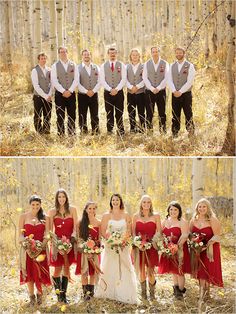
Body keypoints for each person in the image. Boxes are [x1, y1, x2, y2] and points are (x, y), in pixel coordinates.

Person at [94, 194, 138, 304]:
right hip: (110, 246)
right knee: (109, 266)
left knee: (124, 266)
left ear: (120, 201)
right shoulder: (106, 215)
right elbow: (103, 231)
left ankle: (124, 293)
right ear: (111, 202)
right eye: (113, 200)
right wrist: (111, 241)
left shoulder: (127, 215)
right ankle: (108, 292)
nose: (115, 202)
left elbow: (128, 231)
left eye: (117, 200)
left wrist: (122, 241)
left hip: (123, 246)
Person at [19, 195, 51, 306]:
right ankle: (32, 297)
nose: (35, 206)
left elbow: (47, 233)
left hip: (41, 250)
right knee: (29, 273)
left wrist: (42, 245)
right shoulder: (23, 216)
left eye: (37, 204)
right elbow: (20, 235)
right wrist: (27, 245)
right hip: (27, 250)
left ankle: (40, 296)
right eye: (33, 204)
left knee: (40, 273)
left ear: (40, 205)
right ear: (30, 205)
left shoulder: (45, 217)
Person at [190, 198, 223, 301]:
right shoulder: (193, 219)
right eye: (200, 206)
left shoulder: (212, 219)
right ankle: (202, 292)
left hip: (210, 249)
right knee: (199, 270)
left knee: (207, 269)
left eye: (204, 206)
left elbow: (217, 235)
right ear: (197, 208)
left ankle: (206, 293)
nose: (202, 208)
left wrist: (206, 245)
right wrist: (195, 244)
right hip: (197, 249)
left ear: (208, 207)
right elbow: (190, 234)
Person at [48, 189, 78, 303]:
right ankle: (58, 296)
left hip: (70, 243)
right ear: (56, 199)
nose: (61, 199)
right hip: (57, 244)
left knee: (66, 268)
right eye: (59, 197)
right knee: (57, 270)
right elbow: (50, 231)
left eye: (63, 197)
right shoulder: (52, 212)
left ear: (66, 198)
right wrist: (58, 245)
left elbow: (75, 228)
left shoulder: (73, 210)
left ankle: (64, 296)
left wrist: (71, 243)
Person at [158, 201, 191, 299]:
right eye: (171, 209)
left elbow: (185, 235)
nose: (173, 211)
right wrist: (162, 246)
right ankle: (176, 289)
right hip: (168, 249)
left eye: (175, 209)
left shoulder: (182, 222)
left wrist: (177, 246)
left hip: (179, 249)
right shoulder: (165, 221)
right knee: (173, 270)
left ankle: (181, 291)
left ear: (179, 211)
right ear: (168, 210)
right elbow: (160, 233)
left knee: (179, 270)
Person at [132, 195, 161, 300]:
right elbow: (133, 232)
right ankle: (143, 294)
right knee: (141, 271)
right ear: (141, 203)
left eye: (148, 202)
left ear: (151, 204)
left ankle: (152, 295)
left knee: (150, 270)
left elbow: (159, 232)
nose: (146, 204)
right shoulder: (135, 216)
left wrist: (151, 242)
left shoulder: (156, 216)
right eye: (144, 202)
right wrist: (138, 242)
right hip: (139, 247)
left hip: (151, 247)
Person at [75, 201, 101, 300]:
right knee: (84, 272)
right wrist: (85, 249)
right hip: (83, 251)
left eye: (94, 208)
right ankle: (85, 294)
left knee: (93, 272)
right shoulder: (80, 222)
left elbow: (99, 239)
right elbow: (78, 239)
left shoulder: (98, 222)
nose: (91, 210)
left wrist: (94, 249)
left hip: (94, 251)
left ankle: (91, 294)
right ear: (86, 210)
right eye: (89, 208)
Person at [168, 47, 195, 137]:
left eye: (180, 53)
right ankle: (175, 132)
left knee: (188, 113)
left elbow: (190, 81)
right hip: (175, 93)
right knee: (175, 114)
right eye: (177, 53)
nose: (178, 54)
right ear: (175, 54)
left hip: (186, 94)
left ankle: (190, 132)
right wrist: (174, 90)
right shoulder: (172, 66)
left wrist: (181, 91)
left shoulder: (190, 65)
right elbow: (169, 80)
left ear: (184, 53)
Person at [51, 47, 78, 136]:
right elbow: (54, 80)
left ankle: (71, 132)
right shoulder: (55, 66)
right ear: (59, 54)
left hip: (71, 93)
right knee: (60, 115)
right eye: (61, 52)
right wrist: (63, 91)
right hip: (59, 94)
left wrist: (70, 90)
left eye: (65, 52)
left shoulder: (73, 64)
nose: (63, 53)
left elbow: (76, 79)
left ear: (67, 52)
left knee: (72, 114)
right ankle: (61, 133)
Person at [100, 47, 126, 135]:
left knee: (119, 112)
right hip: (108, 92)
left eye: (114, 53)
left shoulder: (121, 65)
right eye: (111, 53)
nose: (112, 55)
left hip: (119, 92)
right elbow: (102, 80)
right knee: (109, 112)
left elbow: (123, 79)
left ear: (116, 54)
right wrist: (110, 89)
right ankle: (110, 131)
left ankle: (121, 131)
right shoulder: (103, 66)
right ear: (108, 54)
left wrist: (117, 89)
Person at [142, 46, 169, 134]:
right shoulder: (146, 64)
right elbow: (145, 77)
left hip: (161, 91)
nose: (155, 53)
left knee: (162, 112)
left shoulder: (165, 63)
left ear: (159, 52)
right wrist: (152, 88)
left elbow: (166, 77)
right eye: (153, 52)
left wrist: (159, 87)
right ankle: (149, 131)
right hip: (149, 91)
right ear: (151, 53)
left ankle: (163, 131)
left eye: (156, 51)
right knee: (149, 112)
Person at [78, 49, 100, 135]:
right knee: (82, 114)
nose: (86, 56)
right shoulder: (78, 68)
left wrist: (93, 91)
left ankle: (95, 131)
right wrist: (86, 91)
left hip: (94, 94)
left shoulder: (96, 67)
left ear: (90, 55)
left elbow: (99, 81)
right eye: (84, 54)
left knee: (95, 113)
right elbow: (77, 82)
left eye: (88, 54)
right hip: (82, 95)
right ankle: (84, 131)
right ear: (82, 56)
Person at [31, 52, 53, 135]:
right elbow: (36, 86)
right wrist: (45, 96)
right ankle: (39, 132)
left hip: (48, 97)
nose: (43, 60)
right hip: (38, 97)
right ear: (38, 60)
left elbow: (52, 83)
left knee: (47, 114)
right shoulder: (34, 70)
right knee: (38, 115)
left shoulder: (49, 70)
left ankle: (46, 131)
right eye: (41, 59)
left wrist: (49, 94)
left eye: (44, 58)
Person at [126, 48, 146, 133]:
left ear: (139, 56)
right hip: (130, 93)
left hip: (141, 93)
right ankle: (133, 128)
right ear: (130, 56)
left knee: (141, 111)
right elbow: (125, 79)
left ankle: (142, 128)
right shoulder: (126, 67)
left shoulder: (144, 66)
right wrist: (131, 87)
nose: (135, 56)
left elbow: (145, 79)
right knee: (131, 111)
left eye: (136, 55)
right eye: (133, 55)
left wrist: (137, 87)